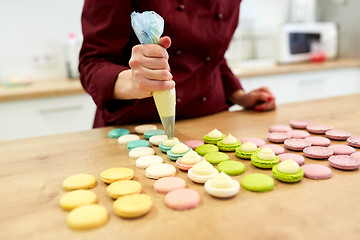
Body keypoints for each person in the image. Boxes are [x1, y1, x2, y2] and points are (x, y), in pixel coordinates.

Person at [79, 1, 276, 128]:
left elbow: (213, 56)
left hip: (211, 123)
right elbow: (93, 61)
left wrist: (240, 96)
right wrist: (132, 82)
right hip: (137, 125)